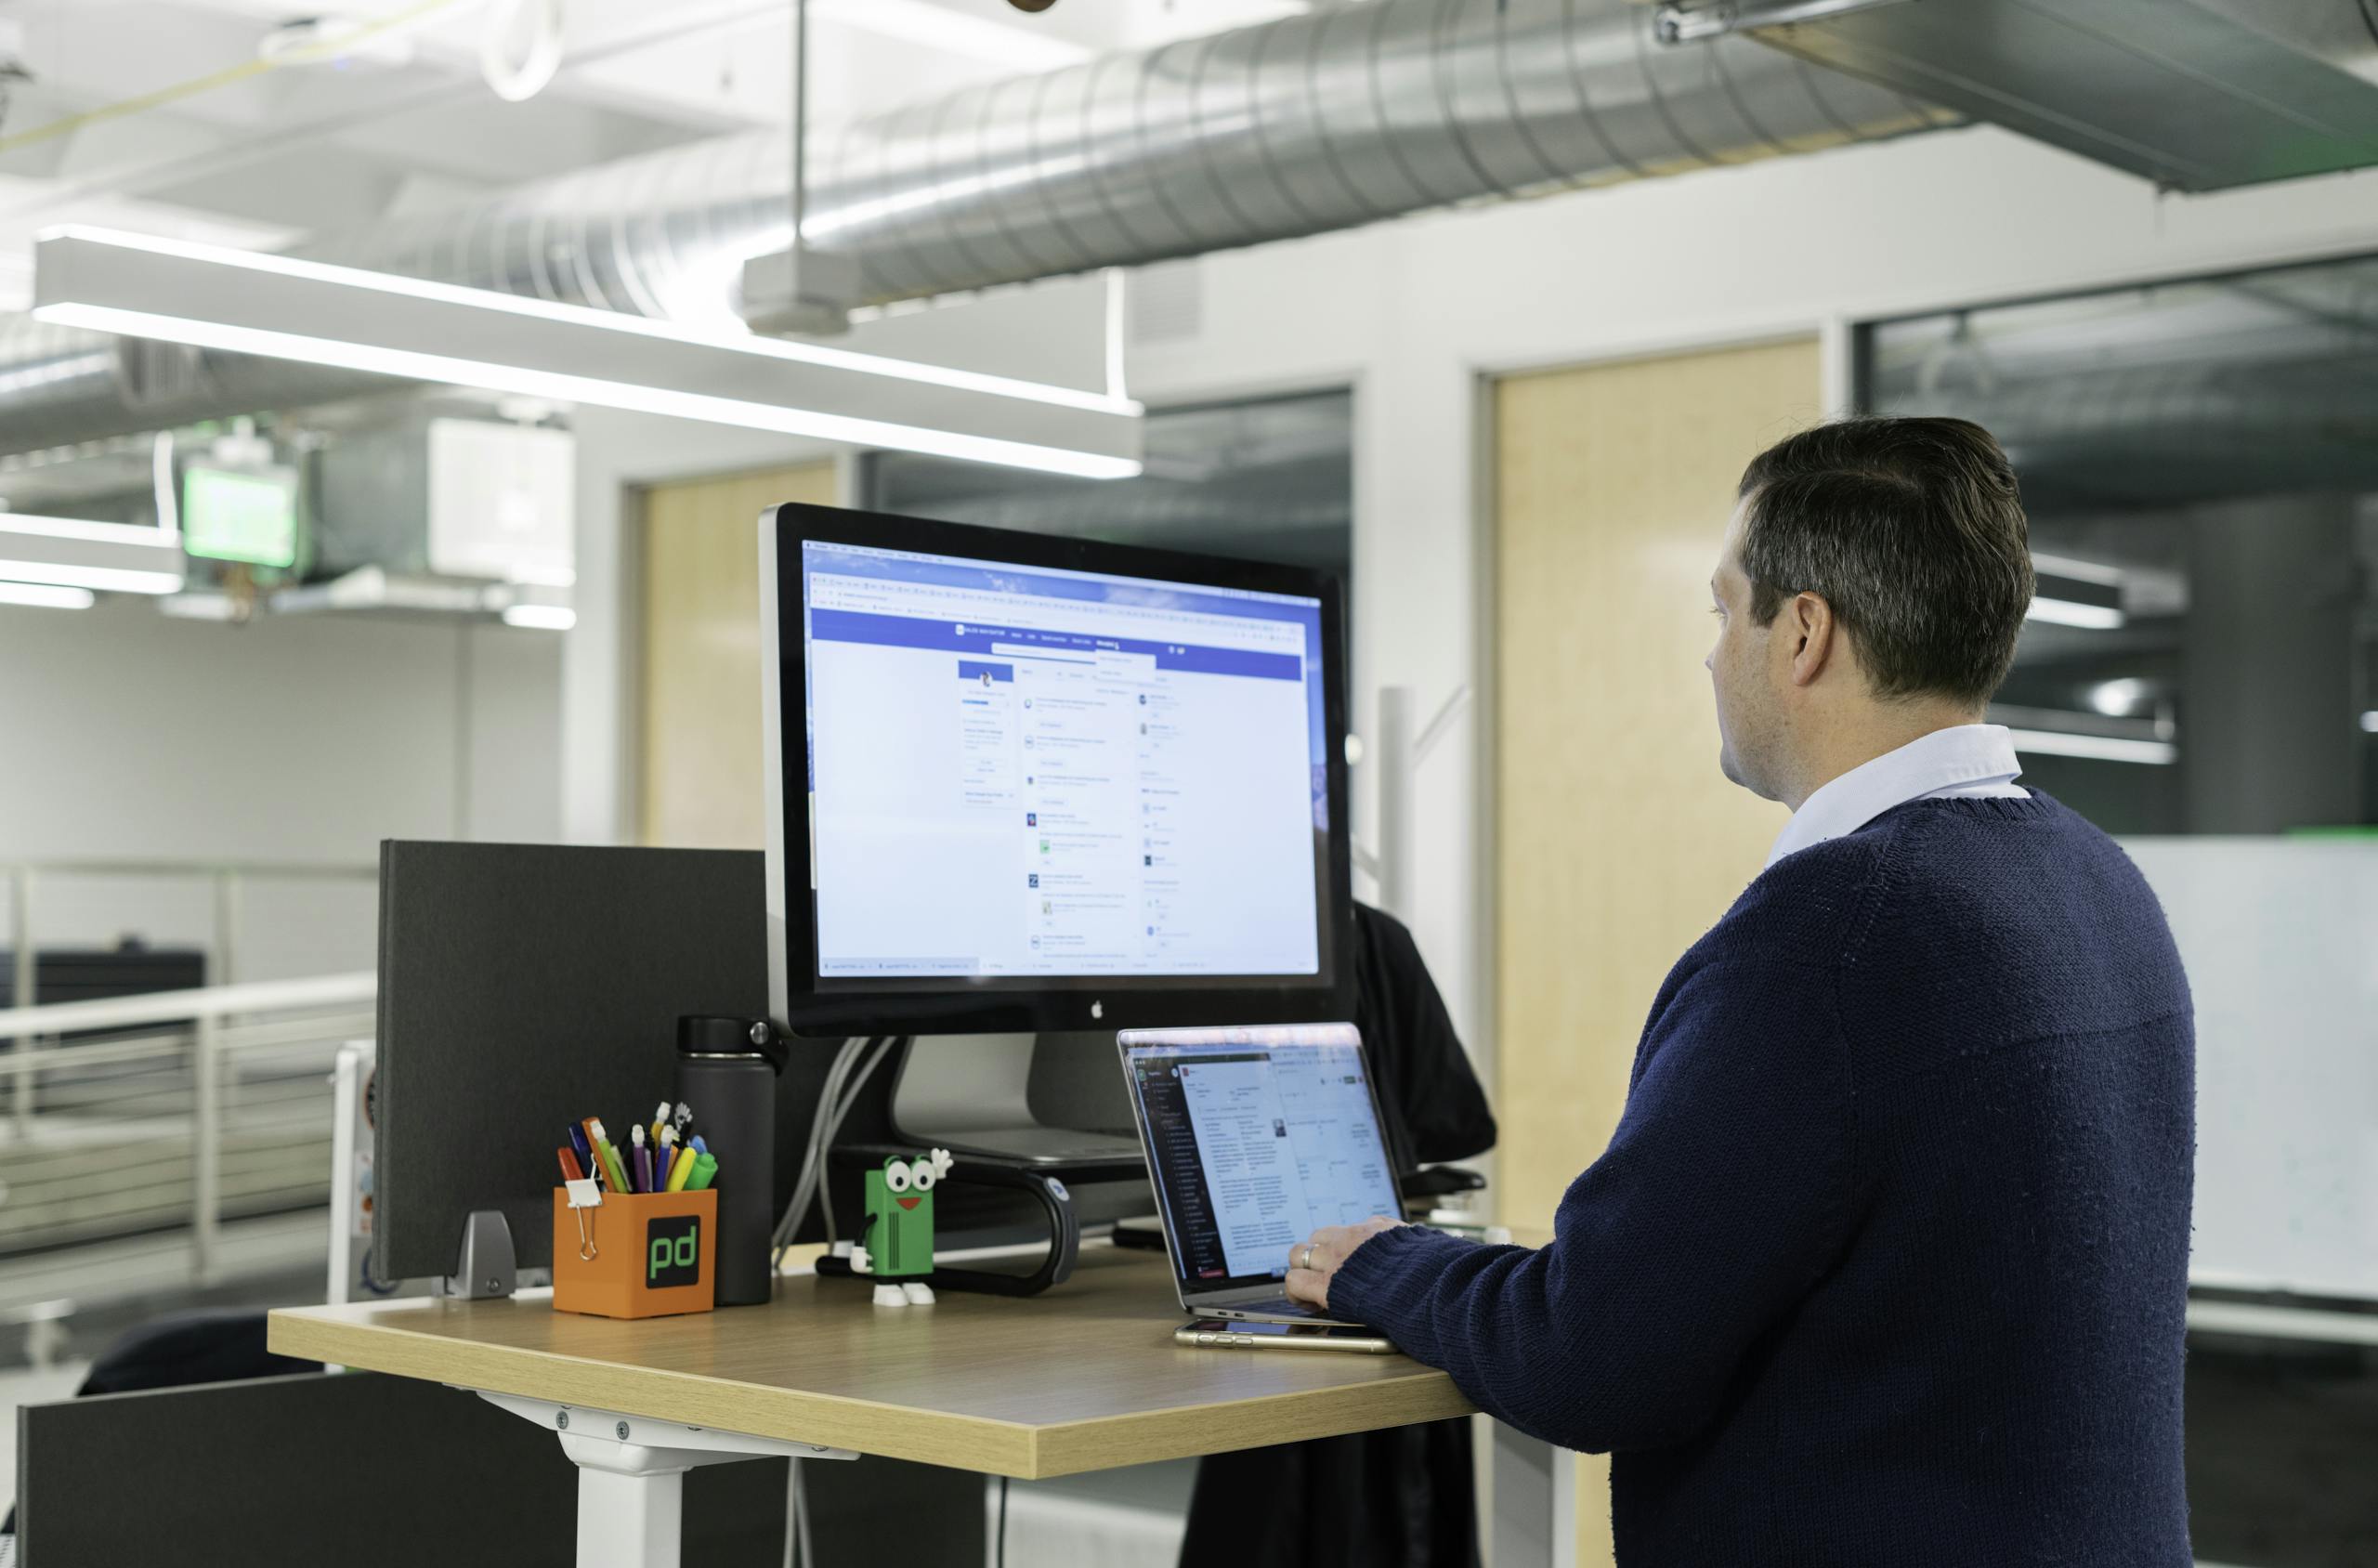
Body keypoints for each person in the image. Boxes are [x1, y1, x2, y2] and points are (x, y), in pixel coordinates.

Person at [1285, 417, 2195, 1565]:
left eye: (1725, 609)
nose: (1712, 653)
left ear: (1802, 630)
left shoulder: (1832, 936)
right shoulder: (2096, 879)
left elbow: (1591, 1357)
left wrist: (1381, 1261)